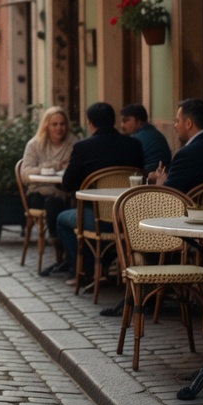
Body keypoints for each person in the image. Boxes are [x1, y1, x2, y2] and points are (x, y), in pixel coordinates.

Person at [56, 102, 145, 287]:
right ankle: (104, 265)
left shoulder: (82, 147)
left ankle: (81, 271)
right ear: (114, 121)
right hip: (127, 220)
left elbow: (67, 184)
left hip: (97, 220)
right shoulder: (134, 144)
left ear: (90, 124)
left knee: (62, 219)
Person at [19, 106, 78, 274]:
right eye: (54, 124)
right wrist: (48, 166)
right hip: (38, 192)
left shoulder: (73, 143)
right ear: (46, 126)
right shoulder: (35, 144)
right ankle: (62, 254)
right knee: (53, 203)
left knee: (56, 203)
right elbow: (25, 174)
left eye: (62, 124)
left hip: (65, 191)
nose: (59, 128)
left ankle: (65, 257)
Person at [119, 103, 171, 175]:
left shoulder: (134, 140)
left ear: (139, 121)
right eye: (122, 121)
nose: (122, 125)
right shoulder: (156, 133)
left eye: (126, 120)